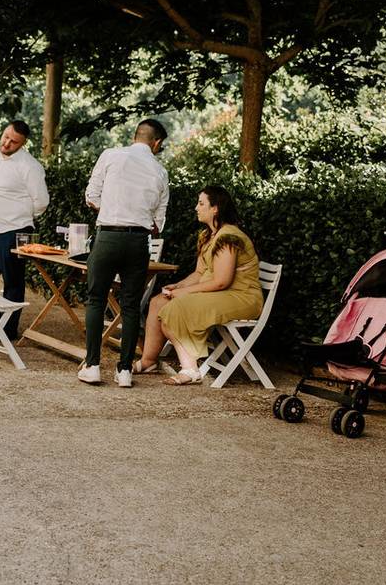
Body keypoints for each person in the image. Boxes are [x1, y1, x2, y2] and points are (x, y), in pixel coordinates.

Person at [134, 185, 263, 386]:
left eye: (201, 203)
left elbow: (222, 281)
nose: (196, 207)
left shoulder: (229, 236)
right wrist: (178, 286)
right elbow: (200, 273)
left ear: (215, 208)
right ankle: (148, 361)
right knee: (159, 301)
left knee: (175, 308)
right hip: (221, 293)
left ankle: (190, 370)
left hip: (241, 297)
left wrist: (183, 294)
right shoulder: (209, 235)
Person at [79, 119, 169, 388]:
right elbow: (158, 224)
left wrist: (111, 210)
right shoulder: (160, 171)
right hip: (138, 242)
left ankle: (93, 366)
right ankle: (125, 371)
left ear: (135, 136)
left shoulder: (111, 155)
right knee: (130, 306)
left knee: (96, 299)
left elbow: (91, 196)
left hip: (108, 235)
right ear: (157, 143)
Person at [0, 120, 49, 340]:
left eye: (13, 141)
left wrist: (19, 216)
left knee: (12, 281)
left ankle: (8, 328)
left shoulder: (30, 166)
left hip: (11, 230)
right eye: (5, 137)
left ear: (23, 143)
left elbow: (41, 201)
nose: (6, 143)